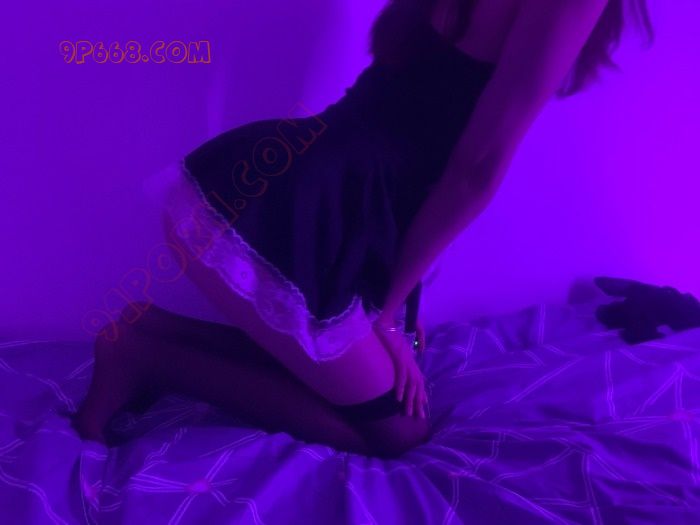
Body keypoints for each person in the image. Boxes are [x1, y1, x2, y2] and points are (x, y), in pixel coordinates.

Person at [71, 0, 653, 458]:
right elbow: (473, 172)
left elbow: (415, 125)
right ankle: (148, 355)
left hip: (293, 179)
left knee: (392, 373)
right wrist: (386, 314)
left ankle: (156, 330)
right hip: (306, 202)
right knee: (398, 431)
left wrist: (399, 301)